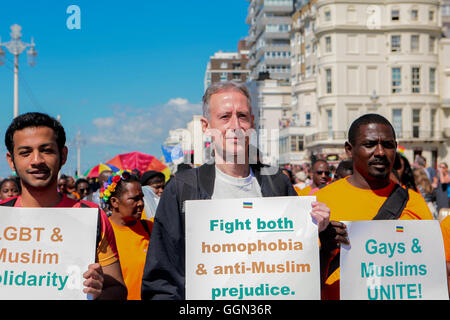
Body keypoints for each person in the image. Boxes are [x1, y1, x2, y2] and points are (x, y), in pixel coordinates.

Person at [141, 81, 330, 300]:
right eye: (224, 117)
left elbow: (297, 265)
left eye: (242, 116)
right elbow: (161, 280)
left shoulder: (277, 183)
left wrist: (314, 231)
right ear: (205, 126)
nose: (235, 126)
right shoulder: (182, 189)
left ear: (252, 122)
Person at [2, 112, 127, 299]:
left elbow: (118, 290)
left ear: (63, 155)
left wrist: (98, 292)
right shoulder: (2, 215)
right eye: (25, 152)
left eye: (46, 150)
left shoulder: (92, 217)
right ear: (11, 160)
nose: (36, 160)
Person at [315, 113, 433, 300]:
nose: (380, 152)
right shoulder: (320, 202)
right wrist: (326, 252)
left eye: (388, 145)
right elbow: (301, 283)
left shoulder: (415, 202)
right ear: (349, 149)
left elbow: (432, 271)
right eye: (369, 144)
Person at [102, 170, 152, 300]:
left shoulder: (151, 229)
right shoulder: (102, 233)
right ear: (114, 202)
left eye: (141, 198)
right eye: (134, 199)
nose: (141, 203)